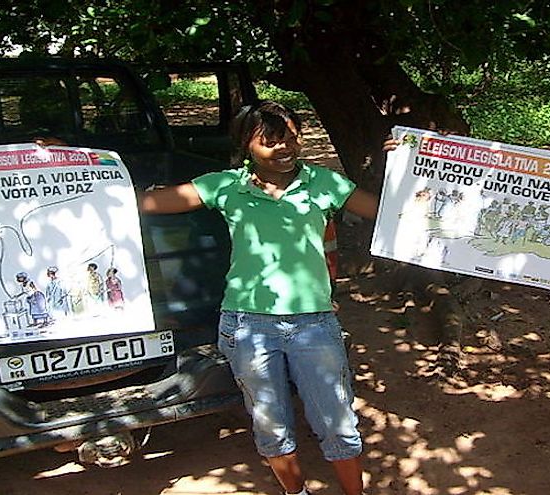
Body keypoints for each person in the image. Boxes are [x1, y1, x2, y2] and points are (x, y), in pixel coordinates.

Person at [138, 101, 378, 495]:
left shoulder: (325, 183)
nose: (284, 148)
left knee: (338, 421)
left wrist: (411, 160)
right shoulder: (225, 185)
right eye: (270, 142)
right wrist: (77, 165)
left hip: (315, 323)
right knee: (271, 424)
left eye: (290, 138)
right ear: (246, 145)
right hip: (248, 325)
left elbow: (389, 212)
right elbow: (145, 203)